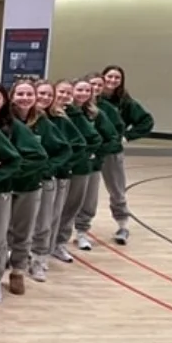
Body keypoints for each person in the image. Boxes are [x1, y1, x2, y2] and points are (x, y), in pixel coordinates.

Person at [0, 79, 49, 298]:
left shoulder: (43, 122)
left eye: (29, 94)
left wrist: (17, 168)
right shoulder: (1, 120)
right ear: (11, 96)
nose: (24, 98)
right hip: (3, 186)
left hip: (27, 185)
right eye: (20, 94)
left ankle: (18, 270)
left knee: (23, 231)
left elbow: (43, 156)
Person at [97, 65, 154, 245]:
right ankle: (78, 228)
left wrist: (126, 136)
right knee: (82, 192)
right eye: (109, 77)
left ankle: (122, 225)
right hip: (89, 152)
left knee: (117, 190)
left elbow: (146, 121)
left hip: (112, 151)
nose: (112, 81)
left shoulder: (125, 102)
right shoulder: (90, 99)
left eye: (117, 78)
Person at [26, 80, 72, 284]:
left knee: (43, 223)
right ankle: (19, 257)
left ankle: (38, 260)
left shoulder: (48, 122)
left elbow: (65, 149)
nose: (43, 98)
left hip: (44, 181)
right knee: (19, 225)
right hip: (21, 182)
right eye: (39, 94)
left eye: (47, 94)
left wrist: (49, 168)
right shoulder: (18, 120)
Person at [71, 75, 121, 252]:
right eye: (80, 89)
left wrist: (96, 153)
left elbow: (113, 138)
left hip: (90, 166)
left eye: (87, 90)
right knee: (63, 205)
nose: (83, 93)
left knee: (88, 201)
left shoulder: (97, 114)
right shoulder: (62, 112)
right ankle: (55, 240)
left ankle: (82, 233)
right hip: (67, 167)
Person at [57, 78, 105, 256]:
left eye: (67, 93)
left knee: (71, 207)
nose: (64, 96)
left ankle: (60, 243)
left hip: (78, 169)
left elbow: (94, 139)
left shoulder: (77, 114)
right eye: (61, 92)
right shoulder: (46, 114)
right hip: (55, 171)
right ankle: (41, 246)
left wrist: (82, 156)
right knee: (50, 211)